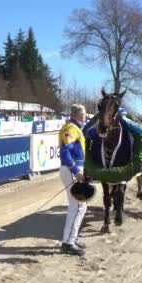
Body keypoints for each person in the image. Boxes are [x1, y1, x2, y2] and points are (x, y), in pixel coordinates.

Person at [58, 104, 88, 256]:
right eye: (84, 114)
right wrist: (76, 171)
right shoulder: (71, 129)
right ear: (78, 115)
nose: (86, 116)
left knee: (78, 207)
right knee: (78, 207)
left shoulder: (74, 128)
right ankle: (68, 243)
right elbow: (65, 152)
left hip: (72, 169)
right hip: (71, 169)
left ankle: (70, 240)